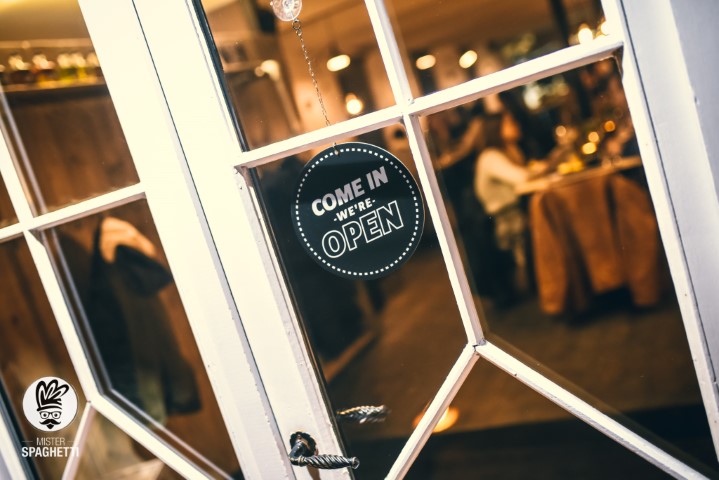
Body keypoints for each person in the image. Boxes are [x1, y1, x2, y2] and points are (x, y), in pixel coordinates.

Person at [475, 111, 543, 297]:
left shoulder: (509, 150)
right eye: (510, 123)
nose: (516, 125)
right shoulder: (490, 156)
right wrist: (541, 168)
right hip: (506, 219)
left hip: (515, 211)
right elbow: (521, 177)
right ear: (496, 129)